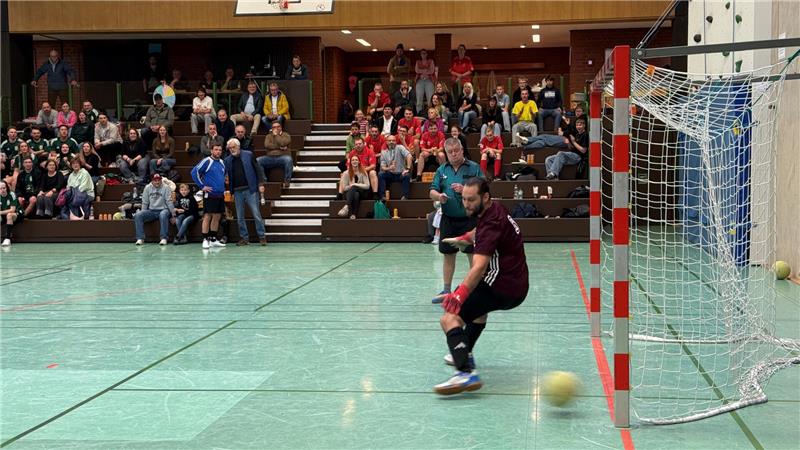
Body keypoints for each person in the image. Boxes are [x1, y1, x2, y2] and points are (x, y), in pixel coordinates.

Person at [432, 177, 528, 395]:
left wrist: (458, 295)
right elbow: (481, 231)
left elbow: (479, 267)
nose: (466, 204)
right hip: (517, 284)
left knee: (449, 318)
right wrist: (466, 237)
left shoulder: (490, 224)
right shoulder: (495, 209)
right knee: (478, 311)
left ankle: (465, 373)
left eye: (471, 200)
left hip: (500, 284)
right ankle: (465, 351)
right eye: (464, 199)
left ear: (485, 197)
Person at [429, 138, 483, 303]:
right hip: (448, 219)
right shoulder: (441, 170)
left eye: (456, 151)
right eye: (450, 152)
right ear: (446, 153)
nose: (453, 154)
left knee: (472, 255)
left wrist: (465, 189)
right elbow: (432, 191)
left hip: (469, 219)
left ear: (462, 150)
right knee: (448, 254)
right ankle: (446, 290)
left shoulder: (474, 167)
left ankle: (475, 289)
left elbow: (484, 189)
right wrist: (439, 196)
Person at [224, 138, 267, 246]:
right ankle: (244, 238)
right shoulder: (227, 160)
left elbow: (258, 169)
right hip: (237, 191)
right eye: (230, 148)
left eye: (233, 147)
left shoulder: (249, 154)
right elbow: (226, 174)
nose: (232, 149)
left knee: (256, 214)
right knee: (239, 216)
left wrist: (261, 184)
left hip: (250, 189)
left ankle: (262, 236)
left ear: (238, 146)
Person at [191, 143, 227, 249]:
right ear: (211, 151)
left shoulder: (222, 162)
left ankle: (213, 239)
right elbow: (194, 172)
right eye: (216, 149)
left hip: (220, 194)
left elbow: (223, 176)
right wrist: (202, 186)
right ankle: (205, 239)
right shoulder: (207, 161)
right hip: (209, 194)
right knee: (207, 216)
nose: (218, 152)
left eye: (220, 150)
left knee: (217, 216)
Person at [133, 173, 176, 245]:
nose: (157, 182)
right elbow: (145, 202)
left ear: (161, 180)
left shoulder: (166, 187)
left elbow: (169, 201)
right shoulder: (147, 187)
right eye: (155, 180)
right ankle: (140, 238)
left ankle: (164, 238)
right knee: (138, 215)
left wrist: (173, 215)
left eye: (159, 180)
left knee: (163, 214)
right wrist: (143, 214)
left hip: (164, 209)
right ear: (152, 181)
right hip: (152, 211)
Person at [258, 122, 293, 189]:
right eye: (274, 127)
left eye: (278, 126)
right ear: (272, 128)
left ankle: (287, 181)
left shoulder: (286, 135)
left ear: (281, 127)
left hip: (282, 157)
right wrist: (279, 147)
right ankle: (263, 181)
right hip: (270, 158)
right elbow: (267, 145)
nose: (276, 128)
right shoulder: (268, 136)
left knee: (288, 159)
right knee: (258, 160)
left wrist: (276, 135)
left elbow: (283, 143)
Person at [378, 135, 413, 200]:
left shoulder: (400, 147)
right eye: (389, 140)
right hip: (390, 174)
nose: (391, 142)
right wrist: (389, 168)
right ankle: (382, 196)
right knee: (381, 174)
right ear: (386, 142)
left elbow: (409, 156)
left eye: (393, 140)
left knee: (407, 175)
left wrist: (408, 169)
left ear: (396, 142)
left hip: (400, 173)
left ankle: (405, 196)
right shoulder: (383, 152)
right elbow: (383, 167)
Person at [337, 154, 370, 219]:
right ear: (350, 162)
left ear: (359, 162)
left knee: (354, 188)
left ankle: (346, 206)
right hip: (350, 193)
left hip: (363, 193)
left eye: (356, 160)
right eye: (353, 160)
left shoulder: (363, 171)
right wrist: (352, 186)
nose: (354, 161)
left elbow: (367, 186)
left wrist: (355, 184)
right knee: (356, 194)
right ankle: (353, 214)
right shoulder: (346, 173)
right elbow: (344, 188)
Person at [0, 181, 22, 246]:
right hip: (4, 215)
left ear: (6, 188)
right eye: (0, 188)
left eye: (4, 188)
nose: (2, 190)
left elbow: (12, 210)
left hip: (17, 213)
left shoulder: (11, 194)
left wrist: (0, 212)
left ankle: (7, 239)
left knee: (9, 215)